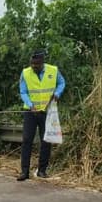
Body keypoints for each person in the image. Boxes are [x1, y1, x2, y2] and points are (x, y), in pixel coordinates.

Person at [17, 49, 65, 181]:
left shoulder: (53, 70)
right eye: (32, 64)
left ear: (42, 62)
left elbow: (62, 83)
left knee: (46, 141)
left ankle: (42, 171)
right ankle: (24, 172)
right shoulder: (25, 73)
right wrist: (30, 104)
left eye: (37, 64)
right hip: (30, 112)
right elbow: (23, 92)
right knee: (27, 140)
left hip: (47, 112)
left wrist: (57, 93)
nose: (34, 66)